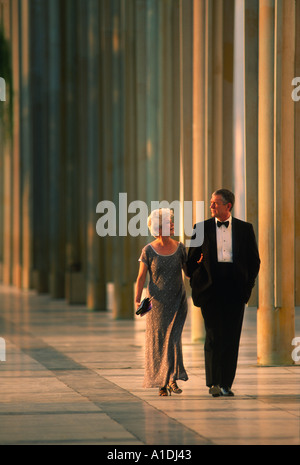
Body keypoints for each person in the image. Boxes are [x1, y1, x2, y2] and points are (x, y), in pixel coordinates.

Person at [187, 189, 260, 397]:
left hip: (235, 291)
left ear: (228, 206)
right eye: (211, 202)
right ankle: (214, 383)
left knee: (231, 338)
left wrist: (247, 288)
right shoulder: (200, 228)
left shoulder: (245, 229)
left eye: (216, 203)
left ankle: (227, 383)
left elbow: (254, 262)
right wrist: (198, 278)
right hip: (210, 290)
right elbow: (189, 264)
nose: (211, 206)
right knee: (212, 337)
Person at [135, 208, 189, 396]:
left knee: (173, 339)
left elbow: (188, 272)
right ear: (158, 228)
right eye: (169, 223)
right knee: (159, 341)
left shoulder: (180, 247)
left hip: (178, 300)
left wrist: (199, 262)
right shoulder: (148, 250)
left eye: (172, 222)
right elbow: (141, 277)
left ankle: (172, 378)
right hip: (157, 303)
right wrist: (137, 300)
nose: (172, 225)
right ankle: (161, 383)